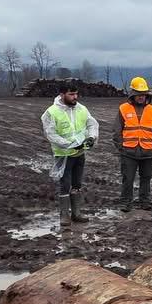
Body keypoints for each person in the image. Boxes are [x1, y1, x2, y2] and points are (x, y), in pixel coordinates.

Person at [43, 82, 99, 224]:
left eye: (76, 94)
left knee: (77, 184)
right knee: (65, 184)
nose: (75, 97)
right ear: (62, 95)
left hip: (80, 154)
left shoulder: (81, 109)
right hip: (64, 155)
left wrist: (92, 137)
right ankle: (64, 215)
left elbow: (92, 124)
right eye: (71, 94)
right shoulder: (51, 112)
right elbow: (51, 134)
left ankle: (76, 213)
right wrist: (70, 144)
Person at [115, 77, 152, 211]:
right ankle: (125, 202)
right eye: (138, 94)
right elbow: (117, 130)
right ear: (132, 94)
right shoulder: (123, 109)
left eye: (143, 94)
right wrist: (121, 147)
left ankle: (144, 201)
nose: (141, 97)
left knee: (146, 178)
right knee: (128, 178)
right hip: (128, 152)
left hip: (149, 152)